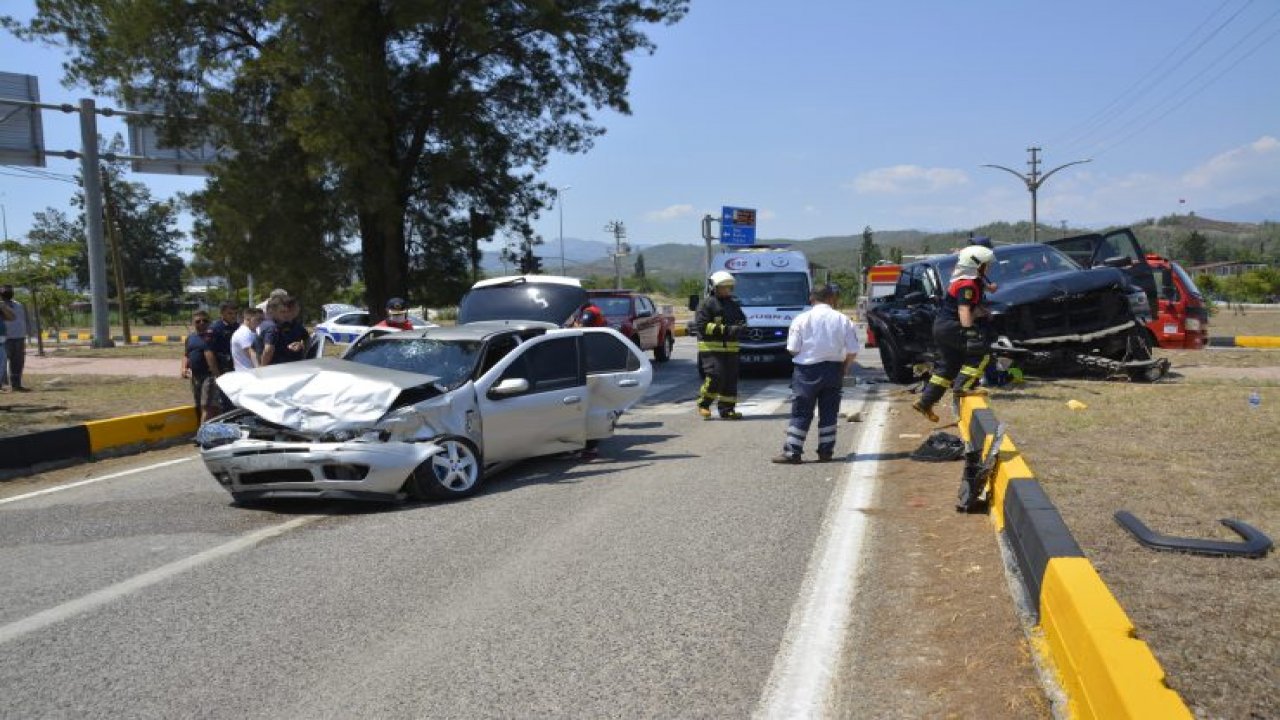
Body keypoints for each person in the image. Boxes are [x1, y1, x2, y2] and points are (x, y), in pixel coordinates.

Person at [772, 284, 862, 464]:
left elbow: (792, 349)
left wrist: (807, 355)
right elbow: (853, 350)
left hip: (806, 371)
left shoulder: (801, 319)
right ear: (831, 298)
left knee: (801, 411)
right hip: (833, 369)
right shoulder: (843, 319)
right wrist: (845, 367)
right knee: (829, 411)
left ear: (812, 299)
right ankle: (826, 452)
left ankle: (792, 452)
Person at [912, 244, 995, 422]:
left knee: (948, 367)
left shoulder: (966, 281)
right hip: (953, 327)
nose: (989, 267)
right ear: (978, 266)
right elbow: (964, 310)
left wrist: (983, 303)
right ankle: (962, 387)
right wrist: (970, 333)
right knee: (982, 354)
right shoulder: (968, 285)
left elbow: (973, 298)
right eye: (987, 264)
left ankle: (925, 402)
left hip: (942, 327)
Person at [694, 271, 747, 419]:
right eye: (723, 287)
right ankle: (703, 403)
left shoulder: (733, 304)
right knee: (716, 376)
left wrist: (742, 327)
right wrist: (727, 329)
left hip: (731, 349)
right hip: (711, 348)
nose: (727, 290)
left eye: (729, 287)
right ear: (714, 287)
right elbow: (702, 326)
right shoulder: (706, 304)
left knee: (730, 379)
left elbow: (741, 320)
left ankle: (727, 409)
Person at [180, 311, 224, 423]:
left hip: (209, 376)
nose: (201, 323)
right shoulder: (190, 338)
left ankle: (203, 434)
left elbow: (210, 356)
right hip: (195, 377)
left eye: (205, 320)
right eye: (198, 321)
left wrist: (216, 375)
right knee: (200, 404)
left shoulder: (213, 337)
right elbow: (186, 355)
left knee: (207, 406)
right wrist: (183, 368)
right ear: (193, 323)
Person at [260, 295, 309, 365]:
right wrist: (262, 368)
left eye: (288, 311)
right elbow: (268, 350)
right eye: (282, 312)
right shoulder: (271, 327)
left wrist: (301, 346)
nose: (286, 314)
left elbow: (307, 339)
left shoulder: (294, 324)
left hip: (294, 366)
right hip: (276, 368)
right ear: (273, 312)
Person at [1, 285, 29, 392]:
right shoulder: (1, 306)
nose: (7, 293)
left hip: (19, 337)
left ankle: (16, 384)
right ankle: (3, 385)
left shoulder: (18, 305)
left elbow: (22, 319)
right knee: (2, 363)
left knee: (18, 362)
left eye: (8, 291)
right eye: (4, 292)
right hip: (5, 338)